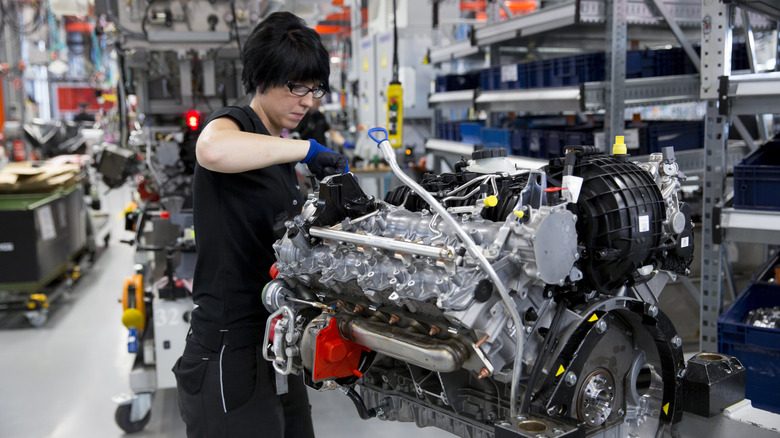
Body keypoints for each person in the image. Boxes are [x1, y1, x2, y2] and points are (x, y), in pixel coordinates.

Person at [172, 11, 348, 438]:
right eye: (296, 86)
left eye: (315, 88)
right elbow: (211, 150)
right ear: (262, 77)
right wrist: (307, 150)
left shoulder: (277, 151)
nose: (307, 100)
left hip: (275, 343)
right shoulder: (236, 125)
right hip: (227, 350)